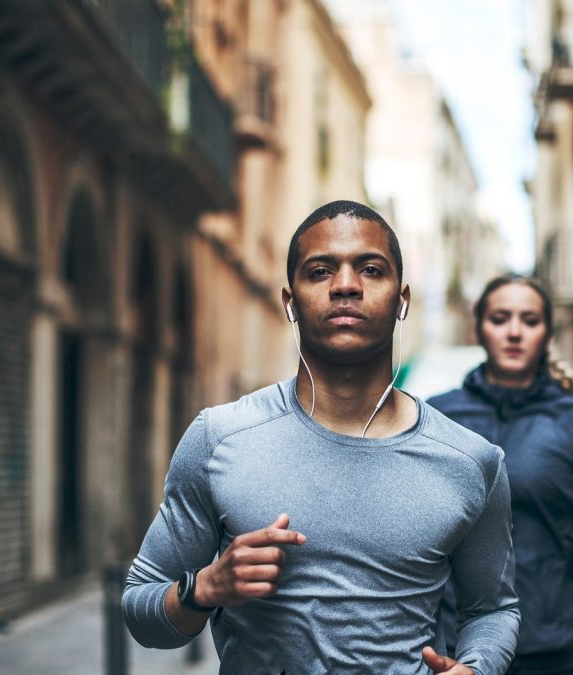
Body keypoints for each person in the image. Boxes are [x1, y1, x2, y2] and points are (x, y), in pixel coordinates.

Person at [122, 200, 520, 674]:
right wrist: (204, 589)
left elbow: (493, 609)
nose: (346, 286)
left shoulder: (472, 462)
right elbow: (140, 610)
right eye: (320, 271)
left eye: (371, 269)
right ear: (290, 302)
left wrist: (477, 667)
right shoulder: (220, 438)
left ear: (402, 299)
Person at [427, 274, 573, 674]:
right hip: (458, 646)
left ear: (548, 333)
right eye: (500, 319)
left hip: (555, 642)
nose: (515, 332)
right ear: (478, 327)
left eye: (530, 321)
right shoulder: (436, 417)